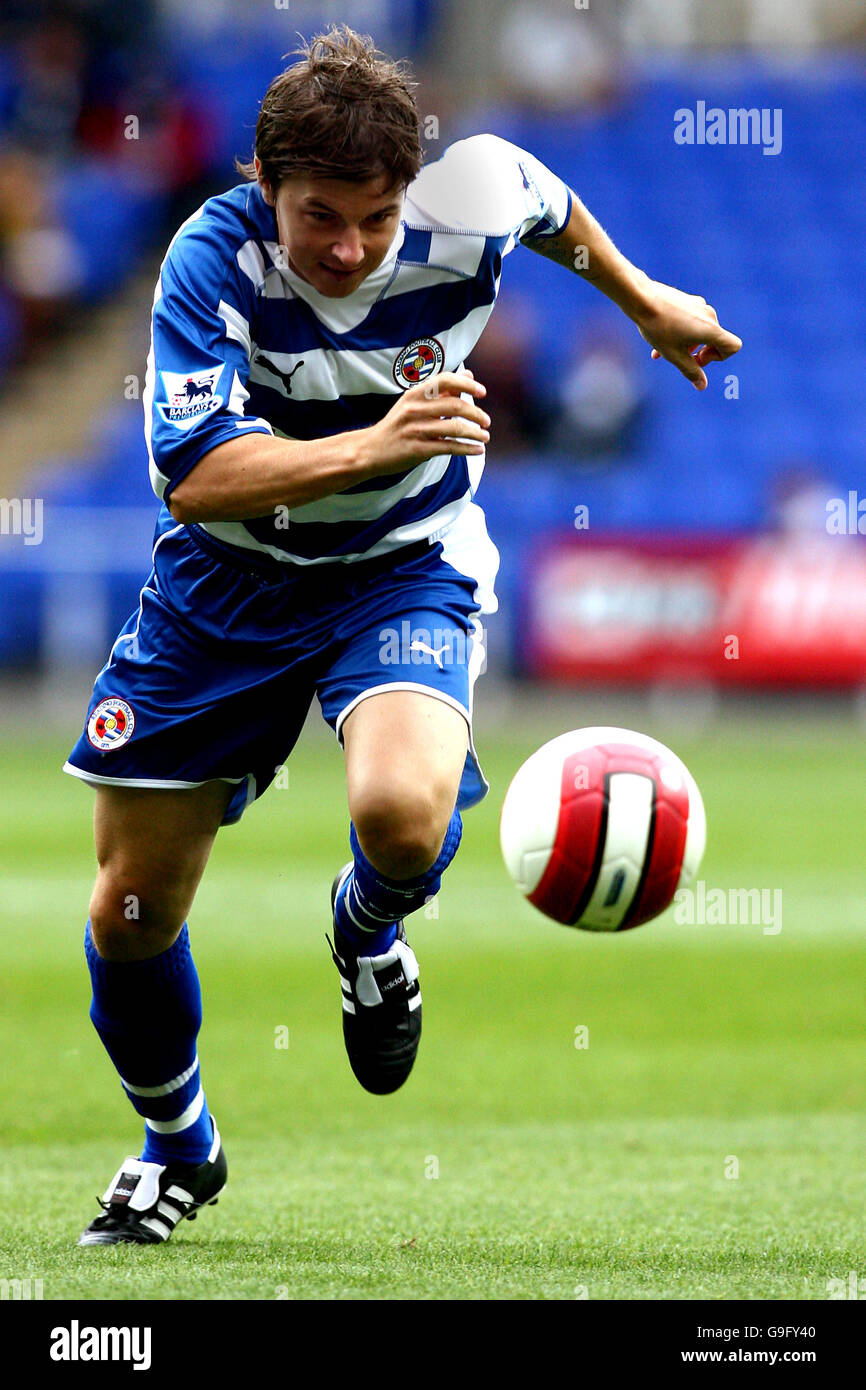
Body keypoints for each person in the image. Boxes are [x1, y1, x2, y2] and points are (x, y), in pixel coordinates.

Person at [63, 25, 741, 1246]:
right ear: (264, 186)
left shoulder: (468, 193)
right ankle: (180, 1148)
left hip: (400, 571)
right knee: (130, 908)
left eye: (374, 220)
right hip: (225, 587)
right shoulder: (209, 260)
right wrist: (381, 442)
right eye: (319, 215)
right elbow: (197, 476)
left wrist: (645, 303)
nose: (348, 247)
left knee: (399, 815)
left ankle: (364, 930)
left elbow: (550, 205)